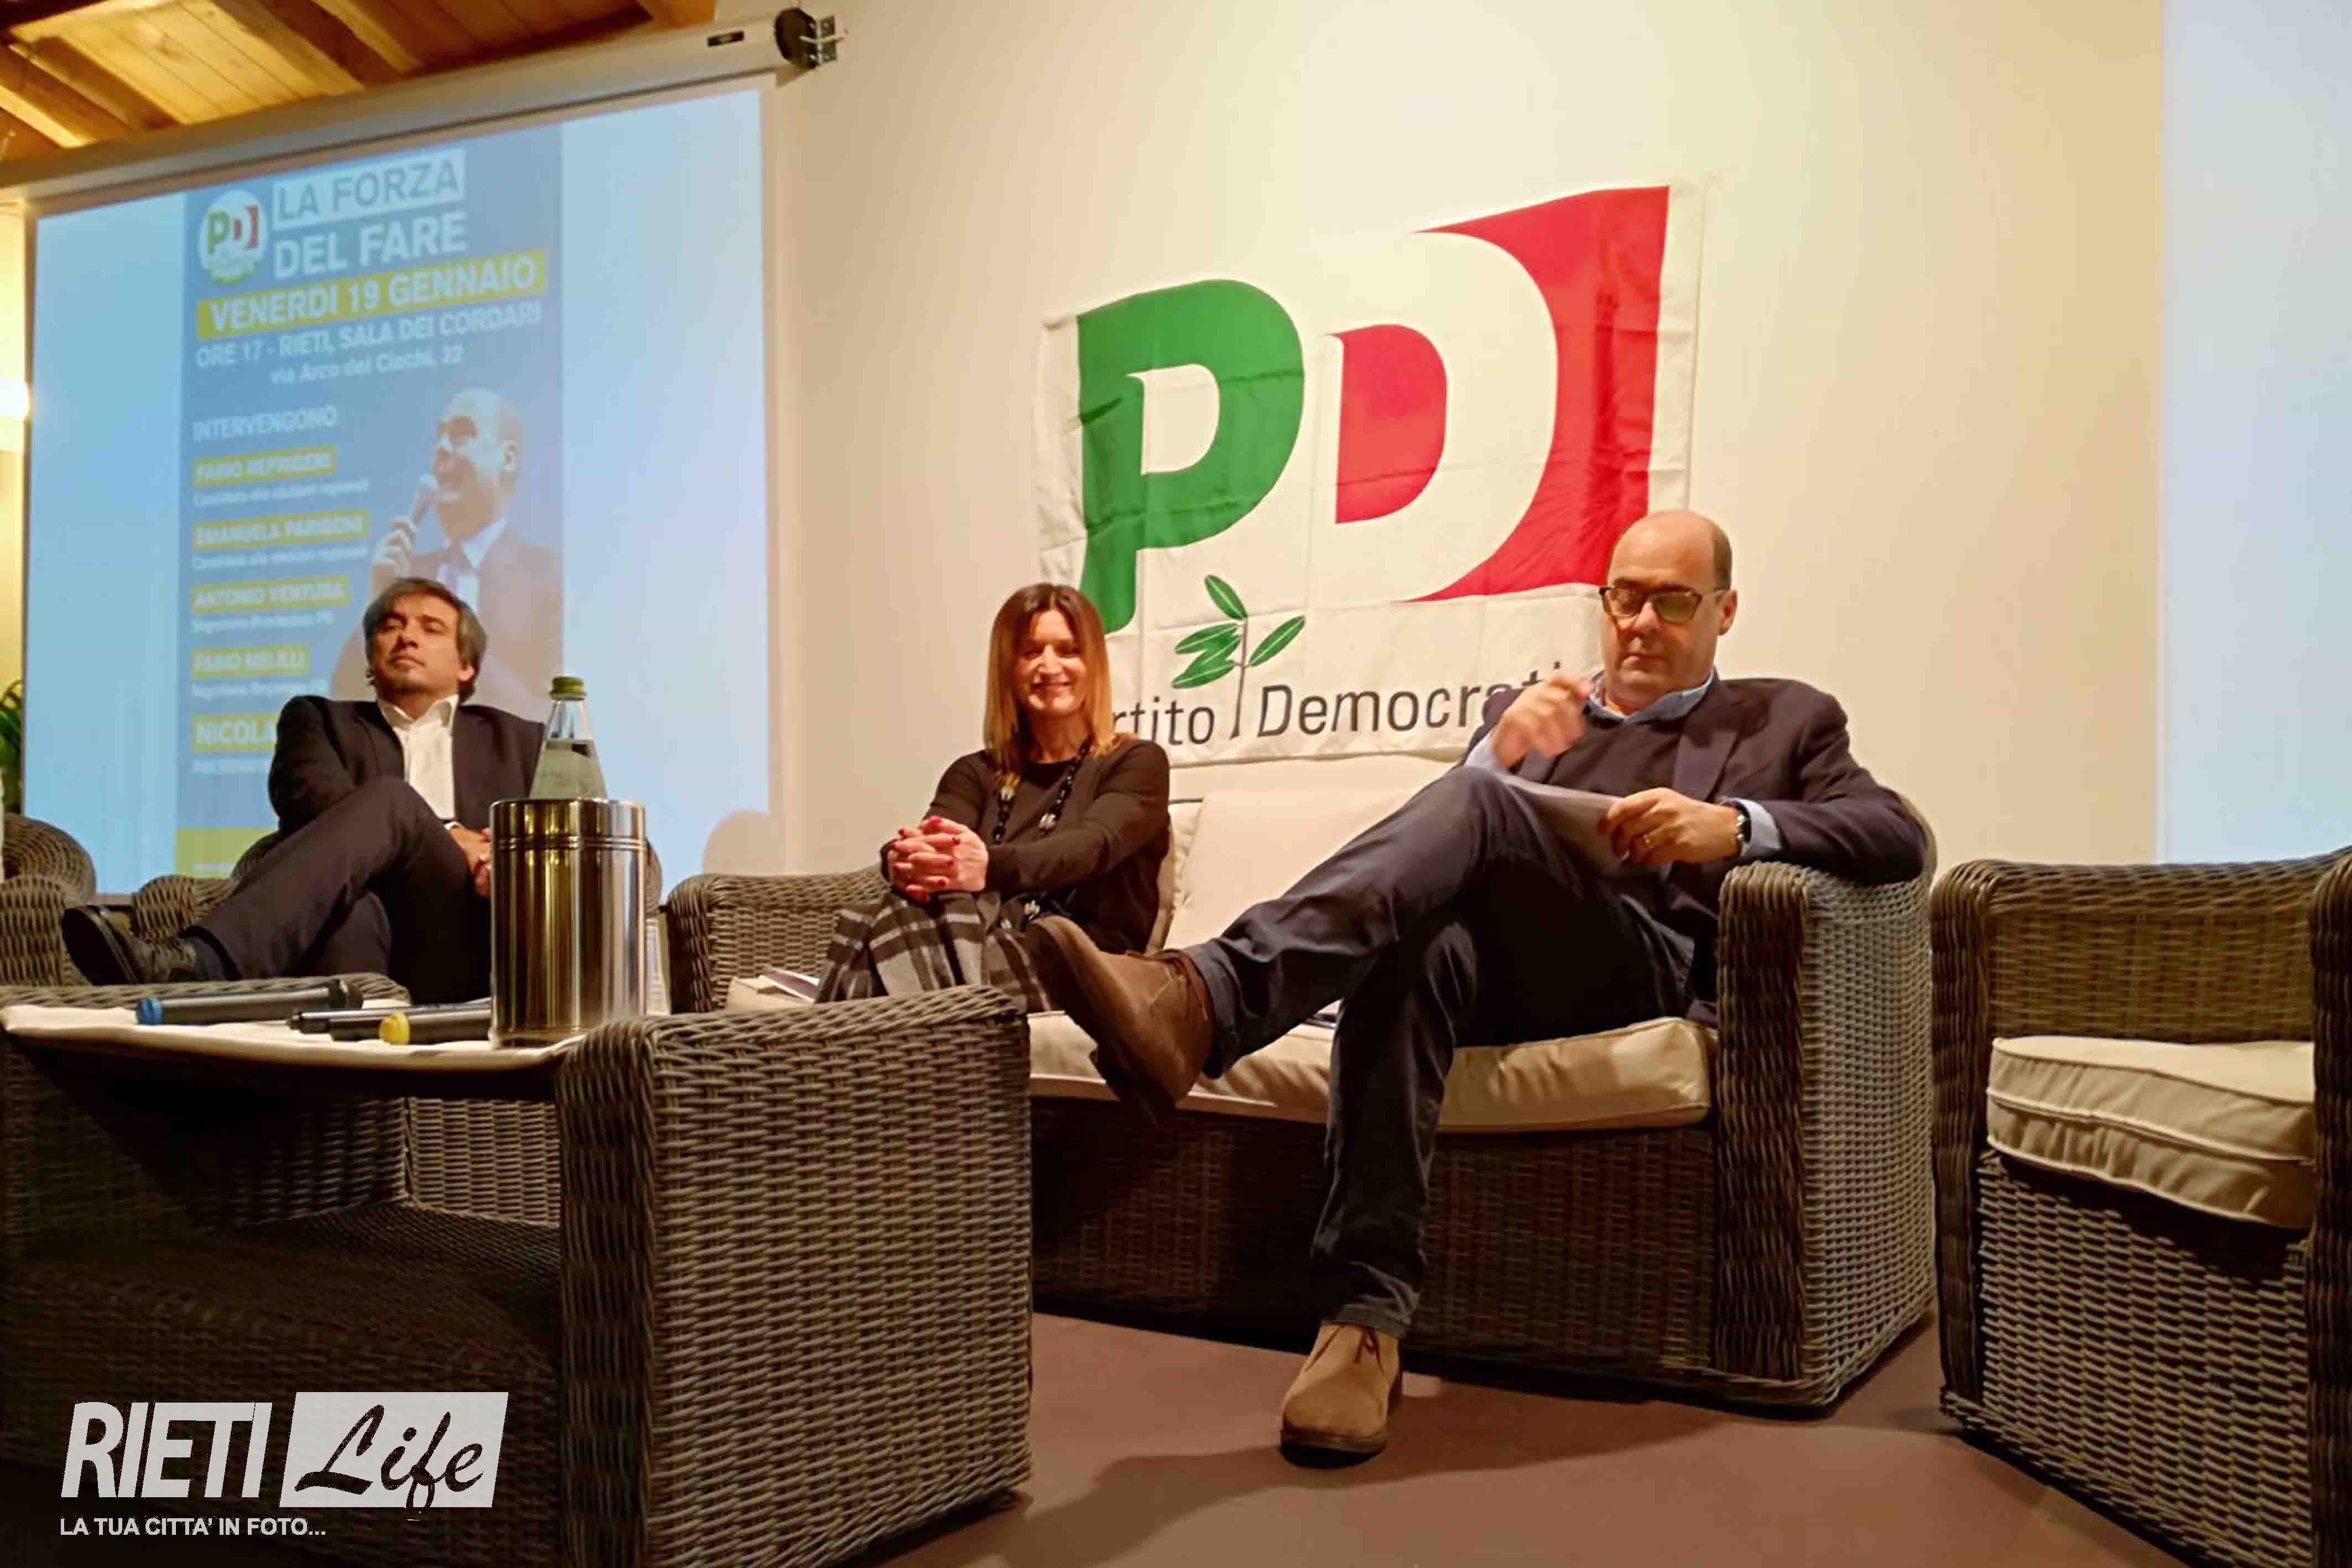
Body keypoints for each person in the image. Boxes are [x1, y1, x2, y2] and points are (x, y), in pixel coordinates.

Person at [1027, 510, 1927, 1461]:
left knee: (1477, 804)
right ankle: (1362, 1323)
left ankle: (1208, 998)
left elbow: (1896, 833)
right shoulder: (1534, 712)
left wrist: (1734, 825)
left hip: (1641, 965)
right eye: (1624, 597)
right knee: (1412, 941)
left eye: (1671, 601)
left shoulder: (1784, 718)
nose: (1639, 622)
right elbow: (1437, 851)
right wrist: (1494, 752)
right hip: (1498, 971)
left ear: (1723, 610)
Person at [62, 579, 542, 1004]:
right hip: (356, 920)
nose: (407, 637)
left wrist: (503, 857)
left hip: (472, 932)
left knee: (392, 801)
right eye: (391, 626)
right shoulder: (320, 720)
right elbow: (311, 806)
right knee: (352, 909)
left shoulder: (521, 740)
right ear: (371, 655)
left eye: (431, 628)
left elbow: (564, 837)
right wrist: (451, 831)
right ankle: (341, 1069)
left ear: (466, 666)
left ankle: (203, 961)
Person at [818, 582, 1170, 1009]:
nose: (1049, 666)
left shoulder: (1137, 762)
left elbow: (1091, 847)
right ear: (1008, 667)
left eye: (1068, 650)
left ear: (1094, 663)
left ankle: (831, 1033)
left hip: (1084, 962)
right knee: (909, 911)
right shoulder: (975, 773)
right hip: (976, 943)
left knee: (878, 928)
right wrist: (904, 859)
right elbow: (936, 840)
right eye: (1031, 652)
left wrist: (987, 866)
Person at [329, 389, 561, 717]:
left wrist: (445, 649)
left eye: (462, 434)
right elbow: (344, 696)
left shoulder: (550, 578)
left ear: (507, 458)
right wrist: (380, 604)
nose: (441, 448)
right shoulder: (407, 578)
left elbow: (550, 712)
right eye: (440, 437)